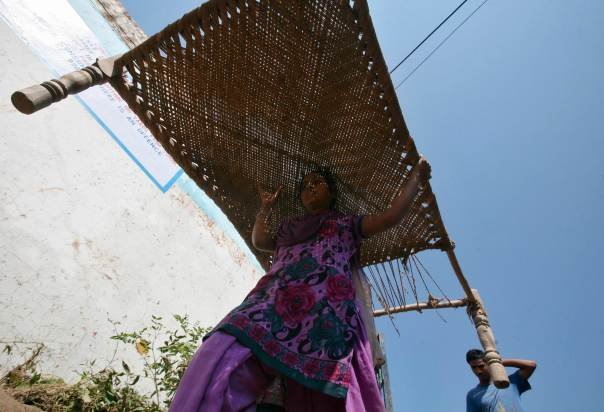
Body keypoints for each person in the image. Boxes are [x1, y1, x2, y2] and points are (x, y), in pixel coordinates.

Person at [169, 157, 430, 412]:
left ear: (332, 192)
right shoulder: (288, 227)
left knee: (322, 396)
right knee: (221, 350)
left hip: (326, 316)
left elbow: (390, 217)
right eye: (305, 185)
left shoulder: (347, 223)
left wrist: (416, 178)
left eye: (317, 182)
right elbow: (260, 241)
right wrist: (265, 209)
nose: (310, 187)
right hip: (270, 303)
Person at [466, 349, 537, 412]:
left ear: (488, 364)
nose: (478, 371)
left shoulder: (511, 382)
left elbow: (531, 365)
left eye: (481, 366)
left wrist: (496, 361)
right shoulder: (473, 395)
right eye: (473, 367)